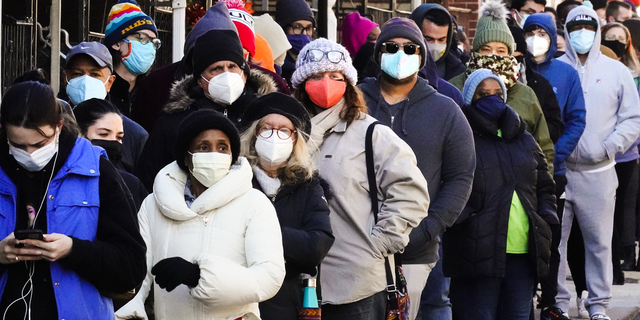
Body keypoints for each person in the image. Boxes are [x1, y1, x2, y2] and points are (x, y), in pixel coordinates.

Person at [291, 38, 430, 319]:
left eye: (335, 76)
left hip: (356, 286)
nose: (326, 83)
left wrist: (378, 245)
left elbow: (411, 193)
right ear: (302, 83)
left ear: (348, 82)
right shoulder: (288, 133)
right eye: (316, 76)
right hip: (296, 283)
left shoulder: (371, 134)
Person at [116, 109, 286, 320]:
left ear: (232, 156)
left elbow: (269, 277)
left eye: (222, 147)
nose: (214, 154)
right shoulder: (154, 204)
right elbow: (138, 273)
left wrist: (200, 275)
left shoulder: (254, 203)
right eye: (203, 147)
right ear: (186, 158)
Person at [357, 18, 475, 320]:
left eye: (410, 48)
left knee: (424, 309)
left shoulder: (445, 109)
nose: (400, 54)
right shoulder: (354, 102)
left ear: (421, 57)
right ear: (378, 53)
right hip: (357, 246)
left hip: (418, 248)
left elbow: (460, 177)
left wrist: (430, 228)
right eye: (391, 47)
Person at [0, 81, 146, 319]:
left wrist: (73, 249)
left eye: (39, 144)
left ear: (58, 127)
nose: (29, 155)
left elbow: (131, 266)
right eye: (18, 145)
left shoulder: (95, 168)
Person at [444, 68, 556, 320]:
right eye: (483, 94)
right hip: (477, 253)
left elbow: (545, 185)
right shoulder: (462, 136)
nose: (491, 99)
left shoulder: (524, 138)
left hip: (524, 253)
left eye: (497, 93)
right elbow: (450, 183)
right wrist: (464, 220)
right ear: (471, 98)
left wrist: (546, 217)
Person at [555, 7, 640, 320]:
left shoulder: (616, 71)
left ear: (597, 30)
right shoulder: (554, 68)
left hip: (599, 171)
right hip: (559, 171)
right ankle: (558, 302)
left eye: (588, 28)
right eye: (575, 28)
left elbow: (632, 118)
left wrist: (610, 147)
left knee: (600, 243)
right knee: (556, 243)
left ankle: (598, 304)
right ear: (565, 30)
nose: (581, 34)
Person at [134, 27, 278, 191]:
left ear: (244, 74)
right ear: (200, 80)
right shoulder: (174, 123)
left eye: (232, 66)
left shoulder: (265, 118)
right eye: (216, 69)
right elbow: (148, 180)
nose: (226, 74)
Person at [239, 92, 335, 320]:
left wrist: (260, 233)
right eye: (266, 128)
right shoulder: (236, 180)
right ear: (254, 135)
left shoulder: (308, 186)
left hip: (287, 302)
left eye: (284, 130)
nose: (275, 136)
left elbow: (317, 246)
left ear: (294, 139)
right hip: (239, 298)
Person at [522, 13, 587, 320]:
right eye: (530, 32)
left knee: (549, 237)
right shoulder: (514, 71)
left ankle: (550, 300)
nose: (536, 38)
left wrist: (554, 156)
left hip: (553, 172)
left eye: (542, 32)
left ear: (553, 37)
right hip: (514, 172)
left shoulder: (566, 73)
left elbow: (576, 119)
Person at [448, 0, 555, 172]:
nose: (493, 57)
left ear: (510, 54)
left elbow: (543, 149)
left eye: (500, 51)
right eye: (486, 49)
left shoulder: (525, 94)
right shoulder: (454, 88)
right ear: (475, 52)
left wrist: (543, 190)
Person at [62, 41, 148, 173]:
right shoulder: (53, 125)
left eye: (95, 74)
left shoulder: (134, 135)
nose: (85, 81)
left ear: (110, 83)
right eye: (77, 74)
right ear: (65, 78)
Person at [73, 98, 148, 211]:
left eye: (119, 137)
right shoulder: (59, 179)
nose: (113, 142)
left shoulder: (130, 185)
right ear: (79, 134)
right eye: (103, 134)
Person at [104, 0, 160, 118]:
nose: (149, 47)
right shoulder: (101, 89)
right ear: (117, 43)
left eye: (152, 41)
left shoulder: (153, 90)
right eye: (141, 38)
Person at [509, 25, 564, 144]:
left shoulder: (538, 84)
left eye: (517, 58)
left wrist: (531, 138)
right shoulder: (476, 84)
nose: (511, 63)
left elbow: (554, 125)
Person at [409, 4, 466, 80]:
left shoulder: (458, 71)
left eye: (441, 40)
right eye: (428, 39)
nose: (435, 45)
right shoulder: (401, 67)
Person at [276, 0, 316, 87]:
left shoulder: (318, 61)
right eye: (297, 27)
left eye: (309, 28)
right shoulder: (275, 66)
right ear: (283, 29)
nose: (304, 33)